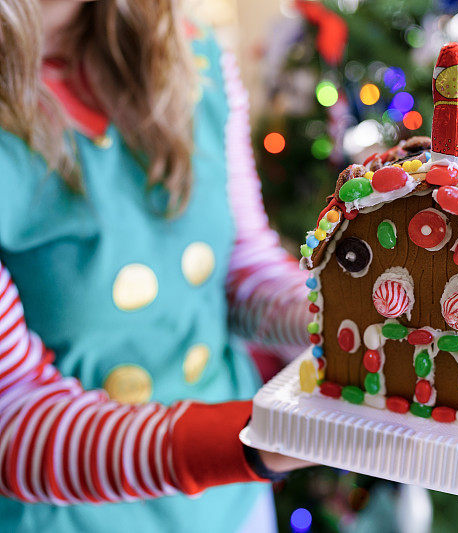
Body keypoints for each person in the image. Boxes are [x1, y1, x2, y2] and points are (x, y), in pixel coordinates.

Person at [0, 1, 313, 531]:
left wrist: (346, 323)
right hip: (72, 516)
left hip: (232, 502)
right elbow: (12, 414)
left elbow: (242, 268)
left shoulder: (193, 54)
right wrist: (251, 439)